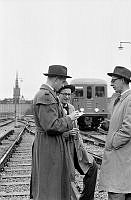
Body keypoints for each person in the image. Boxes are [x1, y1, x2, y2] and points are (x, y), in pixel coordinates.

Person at [30, 65, 81, 200]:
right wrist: (69, 119)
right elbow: (51, 125)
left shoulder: (48, 94)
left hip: (49, 144)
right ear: (57, 79)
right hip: (49, 145)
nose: (64, 84)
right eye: (63, 81)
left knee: (52, 182)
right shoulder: (46, 96)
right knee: (50, 185)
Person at [99, 66, 131, 200]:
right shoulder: (123, 99)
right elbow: (123, 123)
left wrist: (112, 142)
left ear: (123, 80)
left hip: (121, 158)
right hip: (122, 159)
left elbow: (128, 130)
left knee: (116, 191)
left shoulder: (130, 100)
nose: (111, 83)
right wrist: (110, 125)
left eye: (114, 80)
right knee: (126, 191)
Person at [58, 83, 98, 200]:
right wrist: (66, 133)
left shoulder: (71, 107)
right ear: (58, 95)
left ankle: (86, 198)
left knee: (93, 167)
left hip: (75, 148)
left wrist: (81, 147)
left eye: (69, 94)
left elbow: (76, 130)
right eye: (64, 94)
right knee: (67, 177)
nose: (67, 97)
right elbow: (51, 128)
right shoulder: (55, 108)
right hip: (63, 149)